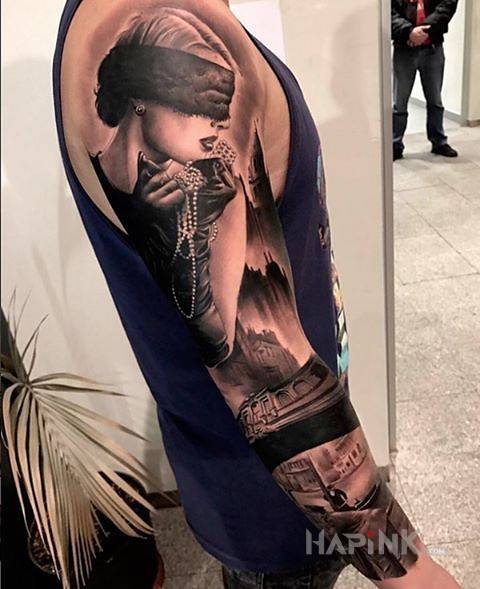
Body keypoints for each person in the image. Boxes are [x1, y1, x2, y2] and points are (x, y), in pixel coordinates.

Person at [53, 0, 460, 586]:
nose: (214, 128)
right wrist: (410, 568)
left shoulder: (187, 159)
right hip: (284, 485)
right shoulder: (146, 11)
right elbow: (259, 374)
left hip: (271, 461)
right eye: (198, 109)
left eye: (217, 114)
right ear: (142, 97)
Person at [391, 0, 459, 160]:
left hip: (433, 50)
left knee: (435, 100)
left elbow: (446, 6)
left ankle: (439, 142)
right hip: (403, 50)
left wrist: (424, 31)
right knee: (399, 102)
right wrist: (409, 32)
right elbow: (388, 12)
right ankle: (395, 144)